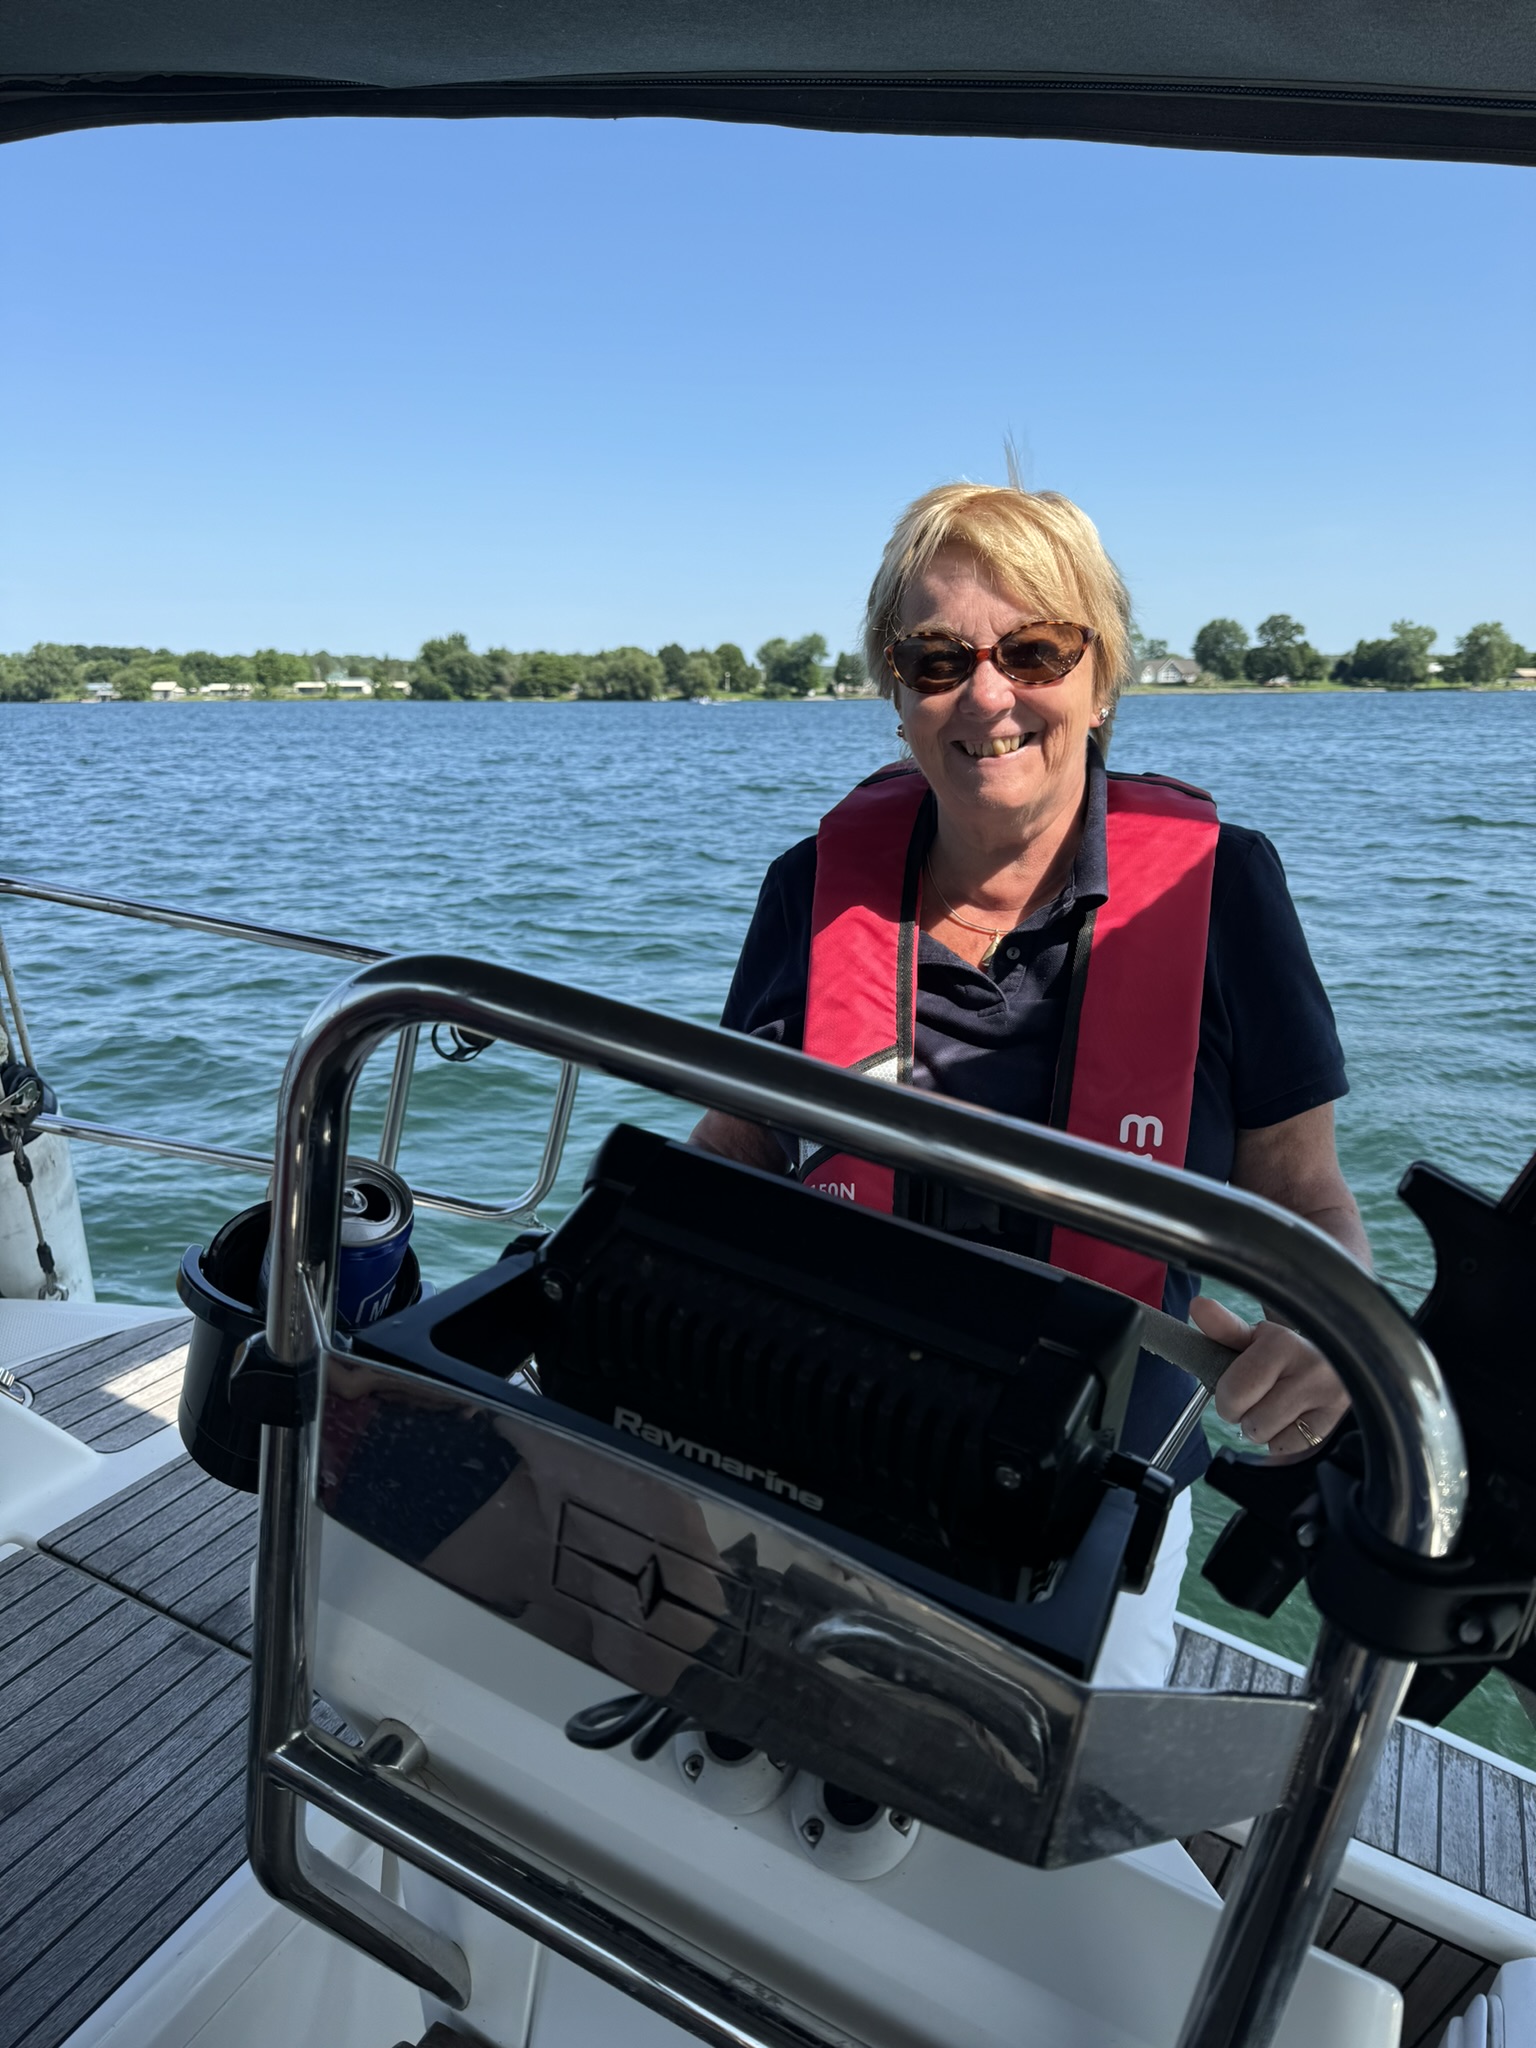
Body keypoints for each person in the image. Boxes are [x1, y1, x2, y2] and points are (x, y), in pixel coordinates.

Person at [691, 481, 1369, 1684]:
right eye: (939, 656)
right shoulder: (810, 888)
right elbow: (734, 1150)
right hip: (819, 1442)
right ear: (896, 694)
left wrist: (1324, 1329)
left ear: (1101, 678)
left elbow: (1307, 1198)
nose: (990, 694)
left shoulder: (1227, 894)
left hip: (1100, 1495)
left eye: (1037, 649)